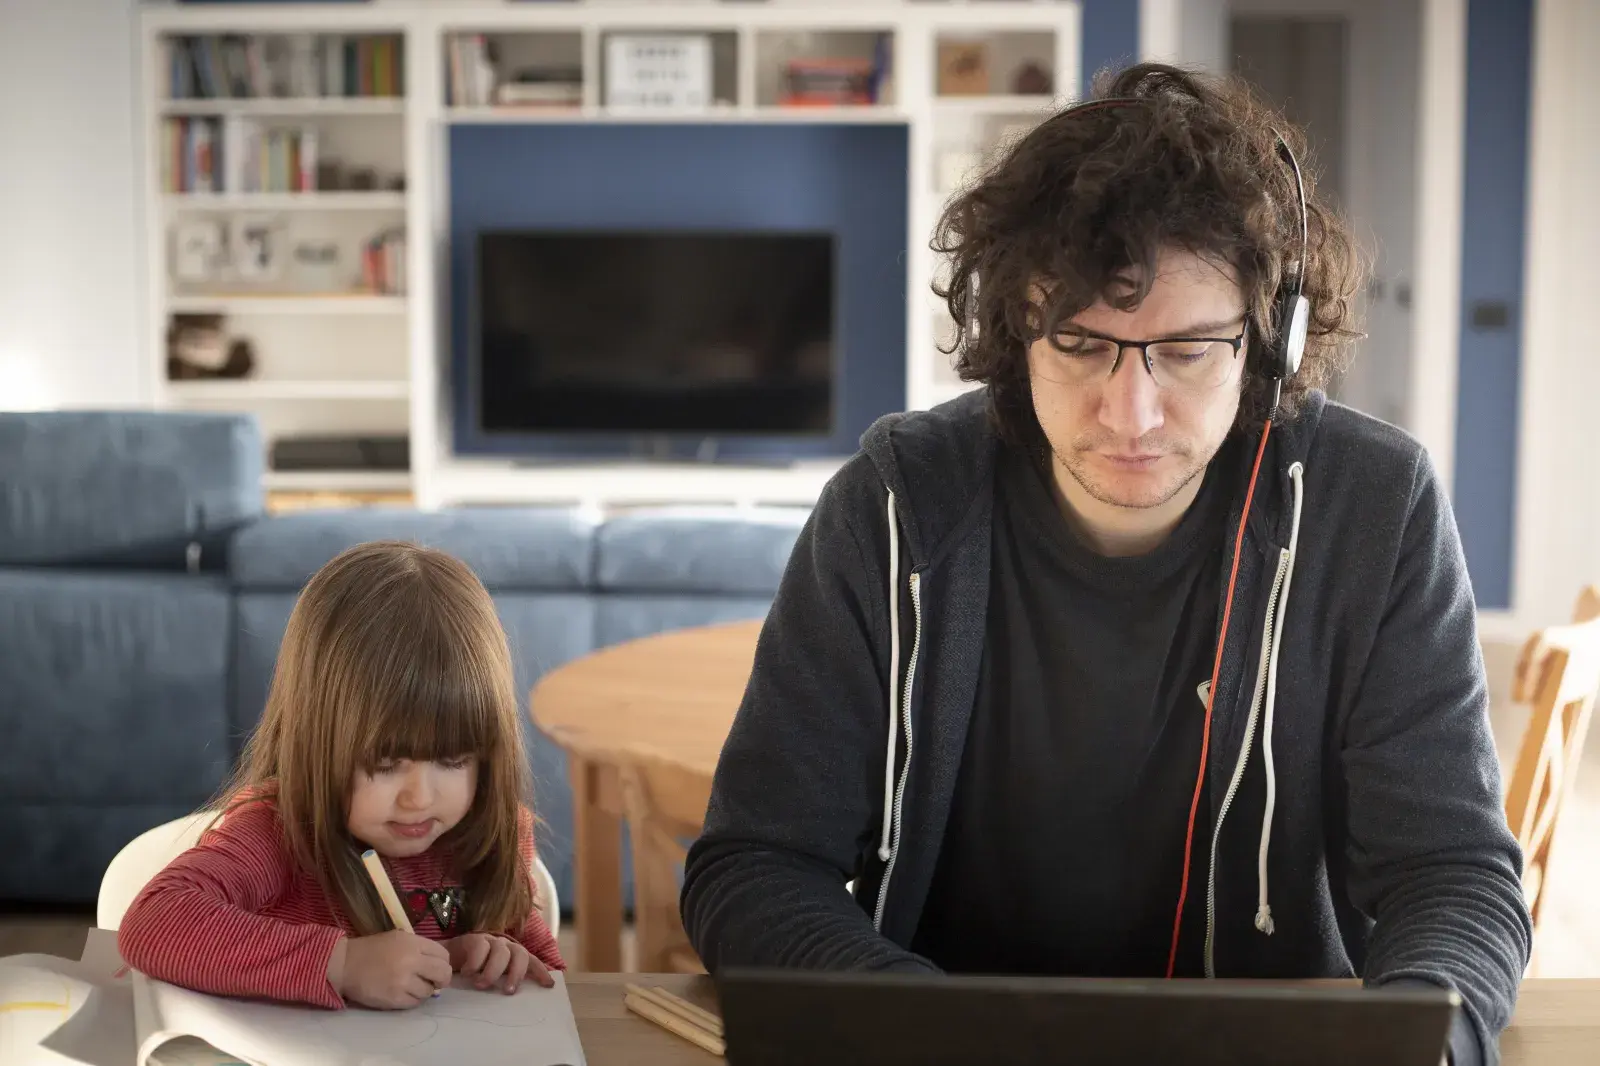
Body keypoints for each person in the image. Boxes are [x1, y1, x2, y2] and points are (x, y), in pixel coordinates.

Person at [680, 63, 1531, 1066]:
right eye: (1080, 342)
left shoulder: (1371, 510)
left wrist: (1428, 1037)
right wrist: (924, 1025)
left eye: (1186, 350)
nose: (1131, 414)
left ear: (1266, 342)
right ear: (1013, 334)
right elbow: (753, 864)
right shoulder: (895, 503)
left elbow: (1453, 874)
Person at [119, 541, 566, 1010]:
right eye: (384, 764)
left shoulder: (493, 834)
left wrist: (480, 960)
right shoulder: (277, 830)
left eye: (453, 761)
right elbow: (154, 922)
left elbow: (553, 995)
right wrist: (341, 964)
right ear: (316, 739)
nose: (419, 798)